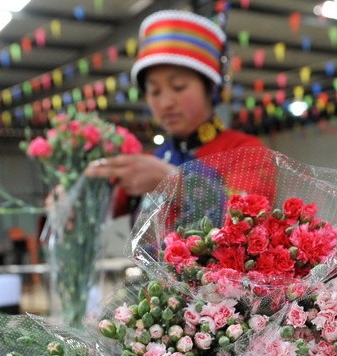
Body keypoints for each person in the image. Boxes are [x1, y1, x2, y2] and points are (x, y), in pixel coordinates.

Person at [85, 10, 269, 215]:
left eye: (179, 86)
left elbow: (250, 218)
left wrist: (175, 182)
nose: (165, 103)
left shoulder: (247, 152)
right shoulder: (150, 160)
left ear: (211, 89)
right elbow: (101, 214)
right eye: (154, 91)